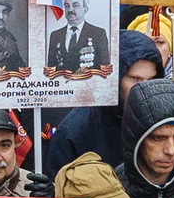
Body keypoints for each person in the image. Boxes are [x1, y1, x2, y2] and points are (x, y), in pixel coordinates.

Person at [47, 30, 164, 174]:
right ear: (116, 79)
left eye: (151, 80)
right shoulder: (77, 128)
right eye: (135, 79)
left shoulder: (161, 120)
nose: (144, 88)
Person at [47, 0, 111, 73]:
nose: (70, 10)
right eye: (67, 6)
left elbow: (104, 67)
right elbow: (51, 68)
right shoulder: (55, 35)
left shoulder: (98, 33)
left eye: (75, 6)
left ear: (85, 9)